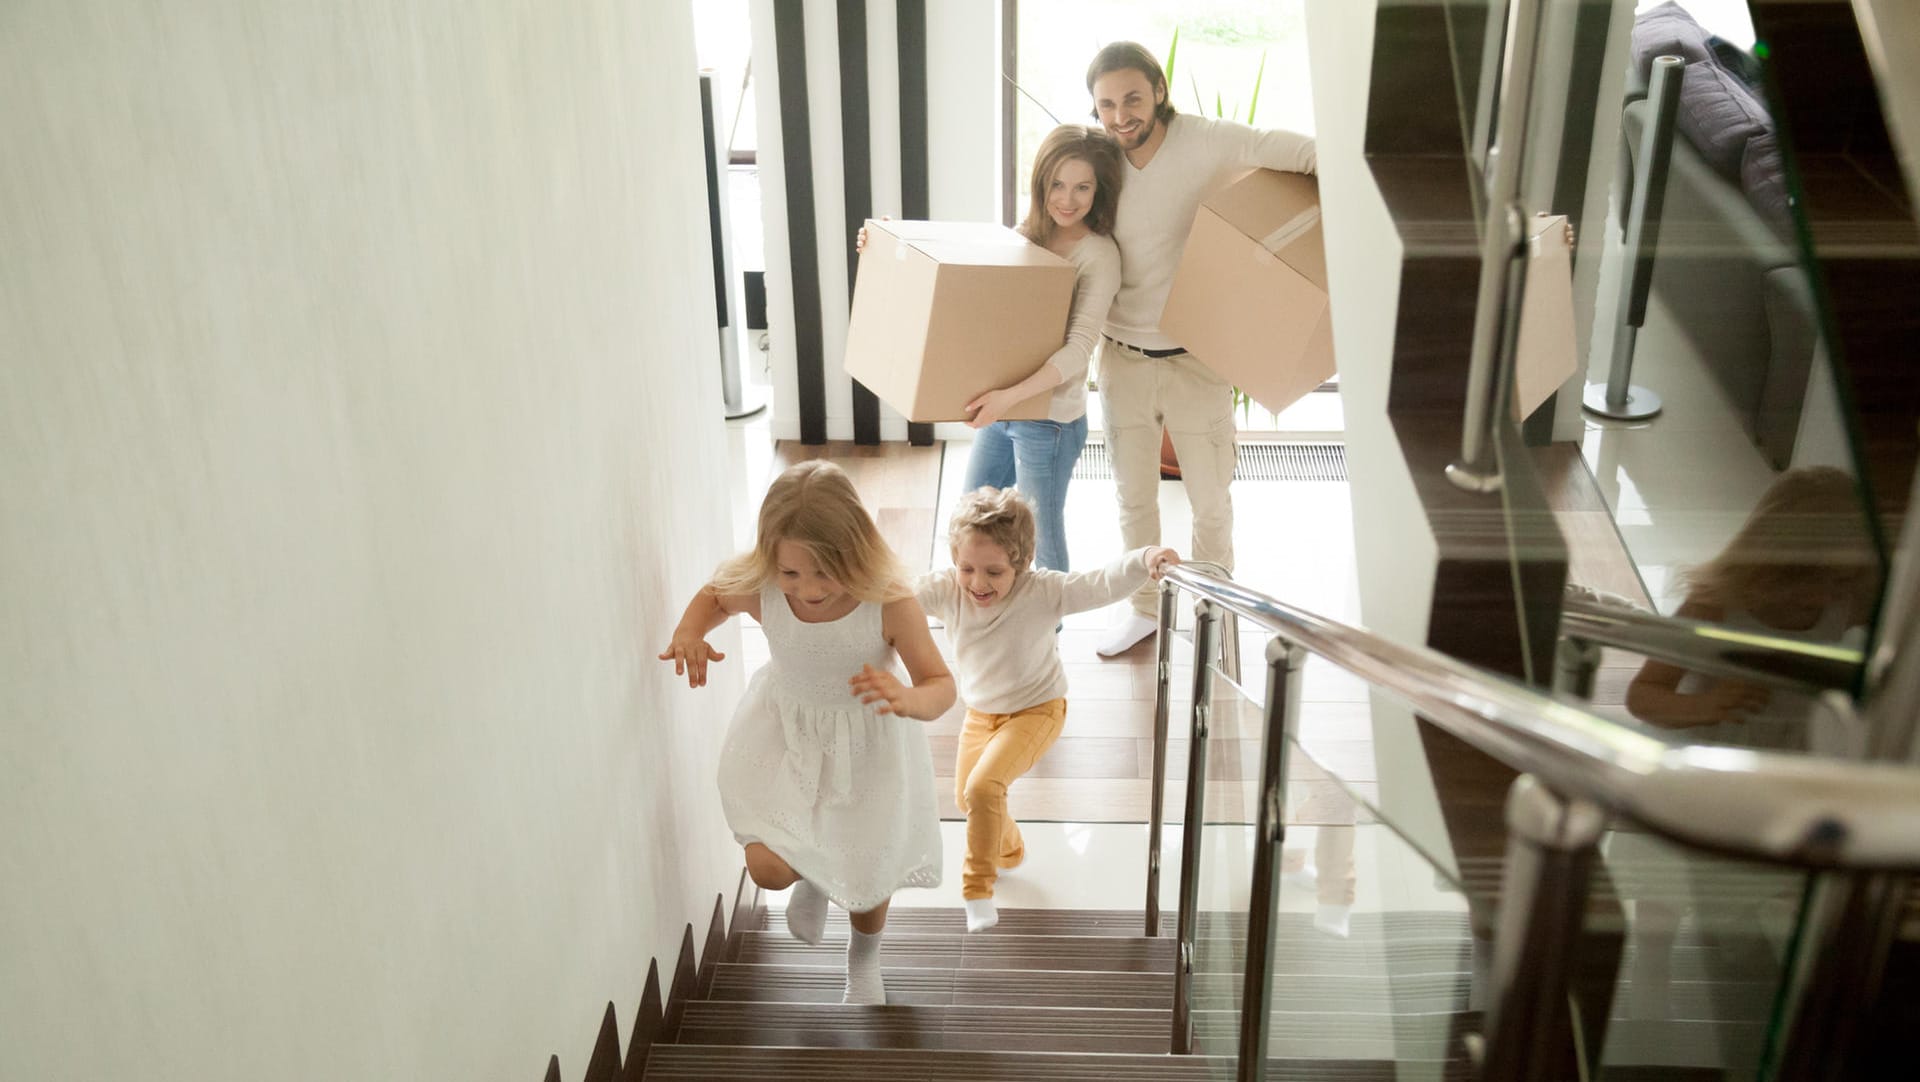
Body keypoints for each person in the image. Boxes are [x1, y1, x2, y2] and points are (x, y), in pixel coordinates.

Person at [659, 460, 956, 1005]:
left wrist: (910, 698)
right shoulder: (767, 589)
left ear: (857, 553)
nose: (808, 589)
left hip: (869, 747)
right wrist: (689, 631)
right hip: (788, 738)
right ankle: (814, 877)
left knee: (868, 868)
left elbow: (940, 683)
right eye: (791, 572)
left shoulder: (887, 602)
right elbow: (716, 594)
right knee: (768, 867)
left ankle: (863, 960)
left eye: (824, 572)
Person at [1083, 42, 1317, 656]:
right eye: (1106, 104)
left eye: (1132, 98)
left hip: (1197, 357)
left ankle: (1215, 605)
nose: (1120, 115)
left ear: (1159, 91)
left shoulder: (1206, 139)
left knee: (1211, 500)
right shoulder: (1096, 157)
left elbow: (1286, 148)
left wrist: (1356, 176)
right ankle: (1142, 608)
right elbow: (1040, 222)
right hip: (1120, 358)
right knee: (1133, 499)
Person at [858, 124, 1124, 575]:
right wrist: (886, 243)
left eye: (1083, 187)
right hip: (1002, 410)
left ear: (1099, 191)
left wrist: (1007, 398)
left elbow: (1078, 351)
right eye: (1057, 183)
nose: (1068, 199)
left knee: (1040, 534)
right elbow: (964, 282)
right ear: (1041, 183)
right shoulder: (1027, 236)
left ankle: (1048, 637)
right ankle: (981, 619)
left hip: (1049, 421)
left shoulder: (1098, 255)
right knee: (972, 519)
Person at [915, 486, 1178, 931]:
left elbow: (1100, 584)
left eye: (994, 572)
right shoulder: (947, 589)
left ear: (1021, 563)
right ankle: (1010, 850)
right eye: (967, 568)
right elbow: (893, 594)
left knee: (982, 789)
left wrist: (1145, 557)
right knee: (969, 797)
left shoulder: (1043, 592)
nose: (979, 583)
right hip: (979, 714)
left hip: (1037, 710)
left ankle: (976, 890)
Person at [1625, 466, 1878, 753]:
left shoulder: (1846, 604)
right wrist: (1706, 705)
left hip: (1784, 758)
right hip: (1703, 756)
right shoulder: (1713, 608)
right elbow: (1642, 696)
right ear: (1773, 563)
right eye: (1809, 577)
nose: (1825, 596)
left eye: (1842, 580)